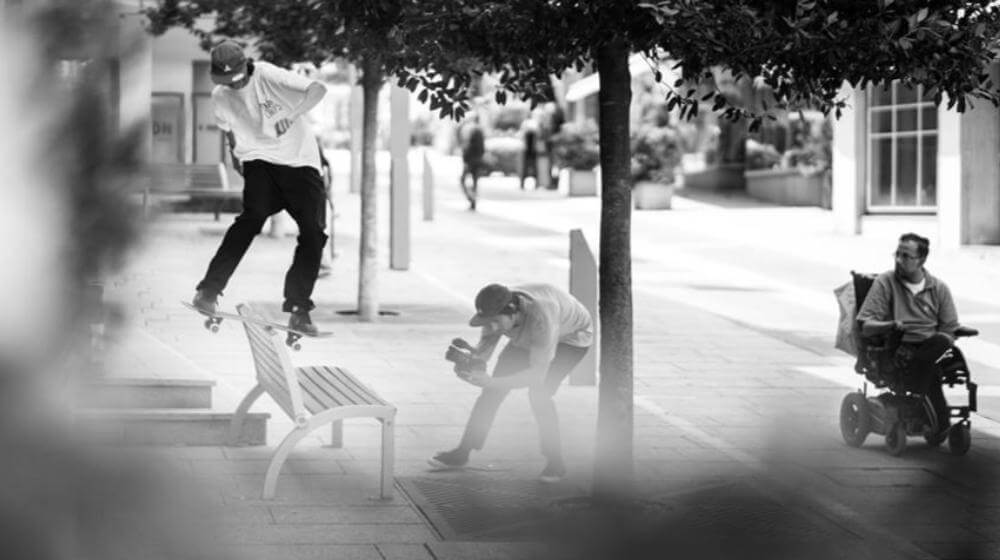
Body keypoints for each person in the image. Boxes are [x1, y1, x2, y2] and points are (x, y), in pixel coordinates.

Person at [191, 41, 328, 335]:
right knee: (250, 219)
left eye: (238, 78)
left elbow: (318, 89)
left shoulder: (267, 74)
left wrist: (291, 115)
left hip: (299, 162)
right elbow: (228, 131)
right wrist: (235, 157)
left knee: (314, 233)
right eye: (228, 81)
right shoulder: (220, 95)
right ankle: (209, 291)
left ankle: (299, 309)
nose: (235, 85)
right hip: (258, 160)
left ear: (246, 66)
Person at [430, 283, 594, 483]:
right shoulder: (497, 315)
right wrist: (472, 366)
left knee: (539, 394)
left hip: (570, 338)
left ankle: (555, 462)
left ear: (513, 312)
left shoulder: (542, 318)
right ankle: (462, 453)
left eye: (495, 322)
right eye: (487, 322)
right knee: (491, 393)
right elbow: (485, 350)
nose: (491, 328)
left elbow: (536, 375)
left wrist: (491, 381)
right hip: (526, 336)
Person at [857, 232, 960, 437]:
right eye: (897, 254)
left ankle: (921, 401)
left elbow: (950, 327)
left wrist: (947, 337)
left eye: (906, 256)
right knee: (931, 368)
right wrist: (891, 325)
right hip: (898, 345)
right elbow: (865, 324)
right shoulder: (885, 283)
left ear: (921, 260)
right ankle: (938, 421)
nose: (898, 260)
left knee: (939, 344)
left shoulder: (939, 288)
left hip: (932, 346)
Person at [459, 115, 485, 210]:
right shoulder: (480, 131)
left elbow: (467, 147)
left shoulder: (470, 130)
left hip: (470, 161)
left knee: (463, 180)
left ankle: (471, 199)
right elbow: (482, 148)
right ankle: (472, 201)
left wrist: (465, 160)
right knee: (474, 182)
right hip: (477, 159)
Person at [519, 118, 538, 190]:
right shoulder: (528, 124)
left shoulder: (528, 125)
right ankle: (523, 184)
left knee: (532, 168)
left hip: (531, 150)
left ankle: (535, 184)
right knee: (525, 168)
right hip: (528, 150)